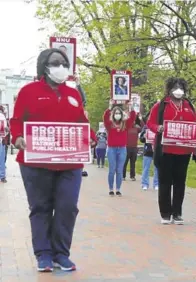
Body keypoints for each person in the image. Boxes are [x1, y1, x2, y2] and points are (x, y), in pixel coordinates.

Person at [10, 48, 97, 272]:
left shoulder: (74, 94)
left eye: (64, 63)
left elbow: (81, 122)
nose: (61, 67)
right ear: (45, 66)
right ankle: (44, 254)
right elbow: (17, 120)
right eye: (56, 62)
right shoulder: (28, 91)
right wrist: (18, 137)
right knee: (41, 207)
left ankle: (61, 253)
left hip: (70, 162)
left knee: (67, 206)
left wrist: (92, 138)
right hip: (35, 162)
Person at [147, 77, 196, 225]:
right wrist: (158, 128)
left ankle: (177, 213)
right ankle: (165, 213)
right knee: (165, 182)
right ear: (169, 89)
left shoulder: (189, 105)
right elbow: (150, 122)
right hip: (166, 149)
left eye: (181, 88)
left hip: (184, 151)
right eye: (175, 87)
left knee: (180, 182)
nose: (178, 91)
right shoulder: (161, 105)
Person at [103, 102, 136, 196]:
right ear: (113, 115)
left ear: (121, 115)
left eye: (119, 113)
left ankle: (118, 189)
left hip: (122, 149)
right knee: (112, 169)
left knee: (119, 170)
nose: (117, 115)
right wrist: (110, 106)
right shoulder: (109, 125)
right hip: (111, 149)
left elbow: (133, 117)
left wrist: (131, 106)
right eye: (116, 113)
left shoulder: (125, 125)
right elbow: (105, 117)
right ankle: (110, 189)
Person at [123, 115, 143, 181]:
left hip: (134, 148)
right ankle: (123, 176)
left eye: (134, 120)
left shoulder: (137, 128)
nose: (133, 121)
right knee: (124, 163)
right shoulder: (126, 127)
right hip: (126, 147)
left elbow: (143, 127)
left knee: (133, 163)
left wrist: (140, 119)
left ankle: (132, 176)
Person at [139, 125, 159, 190]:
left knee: (157, 168)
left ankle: (156, 184)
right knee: (146, 168)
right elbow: (141, 138)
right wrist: (144, 137)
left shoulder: (159, 126)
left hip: (156, 150)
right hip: (148, 151)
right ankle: (144, 184)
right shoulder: (146, 127)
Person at [0, 106, 8, 183]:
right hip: (1, 140)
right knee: (1, 159)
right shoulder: (2, 116)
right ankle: (2, 177)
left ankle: (2, 176)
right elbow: (4, 128)